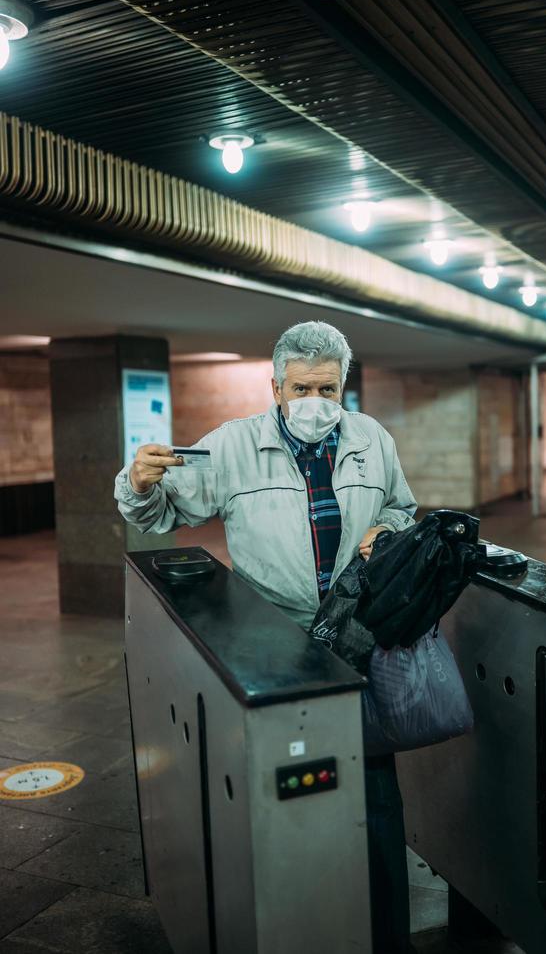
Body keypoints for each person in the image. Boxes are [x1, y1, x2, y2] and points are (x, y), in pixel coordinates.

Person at [114, 320, 417, 953]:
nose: (316, 402)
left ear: (345, 385)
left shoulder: (370, 439)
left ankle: (387, 932)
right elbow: (165, 511)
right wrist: (138, 483)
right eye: (302, 387)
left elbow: (400, 508)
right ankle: (297, 915)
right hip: (274, 638)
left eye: (329, 388)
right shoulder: (232, 445)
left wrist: (384, 532)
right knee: (290, 777)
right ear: (274, 386)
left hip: (357, 632)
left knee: (375, 781)